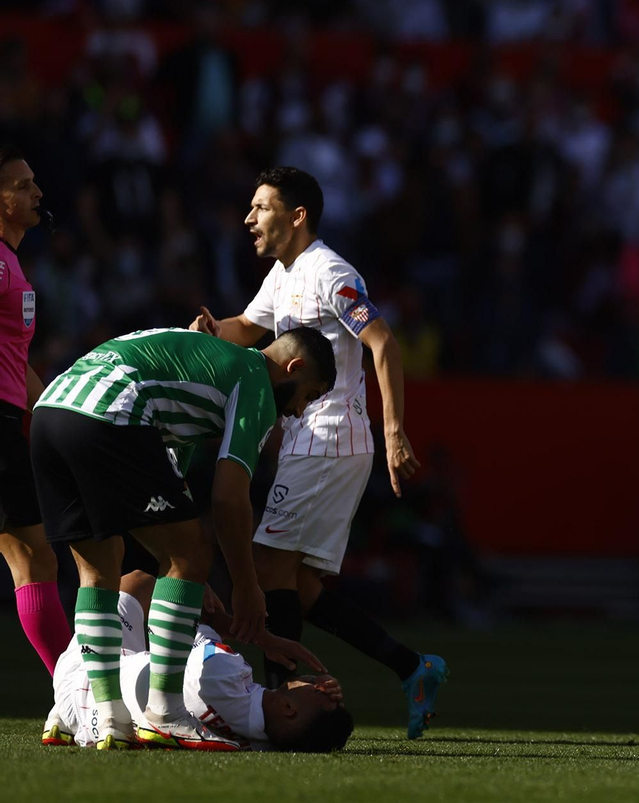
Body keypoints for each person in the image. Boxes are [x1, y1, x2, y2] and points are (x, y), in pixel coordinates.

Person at [189, 167, 447, 739]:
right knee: (298, 590)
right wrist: (208, 332)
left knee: (260, 569)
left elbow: (383, 342)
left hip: (330, 439)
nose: (250, 218)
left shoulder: (330, 272)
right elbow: (247, 328)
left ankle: (278, 706)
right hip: (310, 442)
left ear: (297, 215)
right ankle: (413, 667)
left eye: (261, 207)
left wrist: (396, 430)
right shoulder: (283, 277)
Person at [30, 325, 334, 749]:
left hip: (51, 409)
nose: (299, 413)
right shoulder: (255, 378)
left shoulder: (200, 378)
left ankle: (108, 716)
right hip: (110, 410)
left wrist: (187, 580)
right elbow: (229, 498)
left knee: (99, 567)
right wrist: (246, 588)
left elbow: (175, 493)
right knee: (191, 551)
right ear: (292, 368)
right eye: (308, 397)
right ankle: (164, 713)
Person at [43, 569, 351, 752]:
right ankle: (64, 717)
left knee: (138, 581)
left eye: (319, 694)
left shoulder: (224, 672)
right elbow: (297, 732)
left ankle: (60, 708)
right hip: (89, 719)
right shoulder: (259, 740)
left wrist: (189, 586)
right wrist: (308, 690)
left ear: (288, 708)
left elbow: (184, 619)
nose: (322, 688)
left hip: (84, 678)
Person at [0, 146, 69, 677]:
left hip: (9, 422)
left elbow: (15, 360)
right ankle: (75, 693)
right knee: (35, 561)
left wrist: (51, 410)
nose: (36, 193)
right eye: (22, 186)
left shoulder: (12, 263)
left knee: (32, 560)